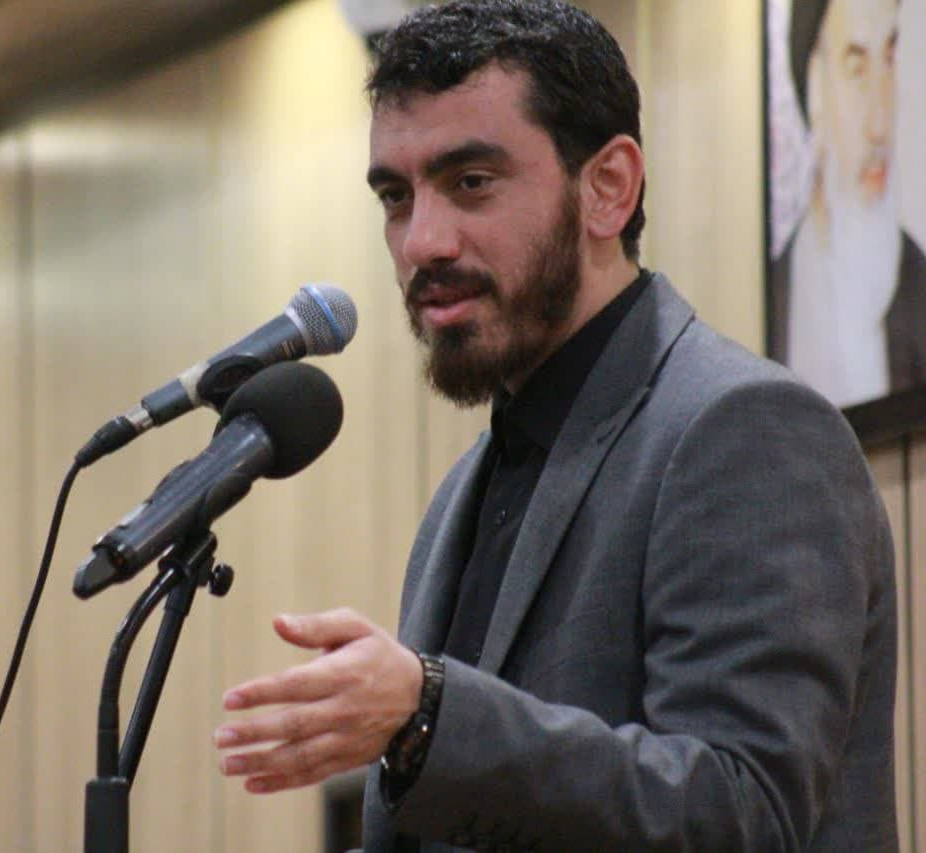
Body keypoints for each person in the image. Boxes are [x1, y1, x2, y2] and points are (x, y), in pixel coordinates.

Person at [215, 1, 898, 849]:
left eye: (471, 181)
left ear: (608, 188)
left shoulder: (746, 429)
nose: (422, 240)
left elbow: (738, 811)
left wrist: (427, 713)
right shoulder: (463, 493)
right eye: (396, 197)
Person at [770, 0, 926, 407]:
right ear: (814, 89)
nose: (879, 125)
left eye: (888, 60)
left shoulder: (920, 289)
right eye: (857, 70)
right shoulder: (774, 297)